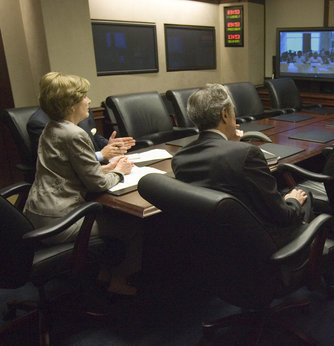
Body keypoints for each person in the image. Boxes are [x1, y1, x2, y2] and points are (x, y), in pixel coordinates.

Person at [24, 72, 139, 295]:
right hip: (60, 221)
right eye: (84, 96)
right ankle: (118, 279)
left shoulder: (52, 127)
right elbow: (97, 184)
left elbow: (68, 171)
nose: (88, 101)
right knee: (131, 224)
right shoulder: (74, 134)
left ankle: (101, 273)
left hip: (36, 211)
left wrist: (106, 167)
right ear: (70, 104)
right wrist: (120, 172)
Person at [171, 83, 312, 247]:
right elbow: (282, 215)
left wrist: (231, 144)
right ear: (224, 114)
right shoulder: (247, 154)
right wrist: (293, 201)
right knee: (304, 193)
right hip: (261, 246)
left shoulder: (180, 158)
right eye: (233, 111)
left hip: (216, 246)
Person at [27, 107, 135, 162]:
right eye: (82, 95)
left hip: (94, 170)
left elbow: (95, 136)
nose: (88, 100)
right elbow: (63, 162)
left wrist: (110, 146)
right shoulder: (42, 124)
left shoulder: (84, 112)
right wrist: (101, 155)